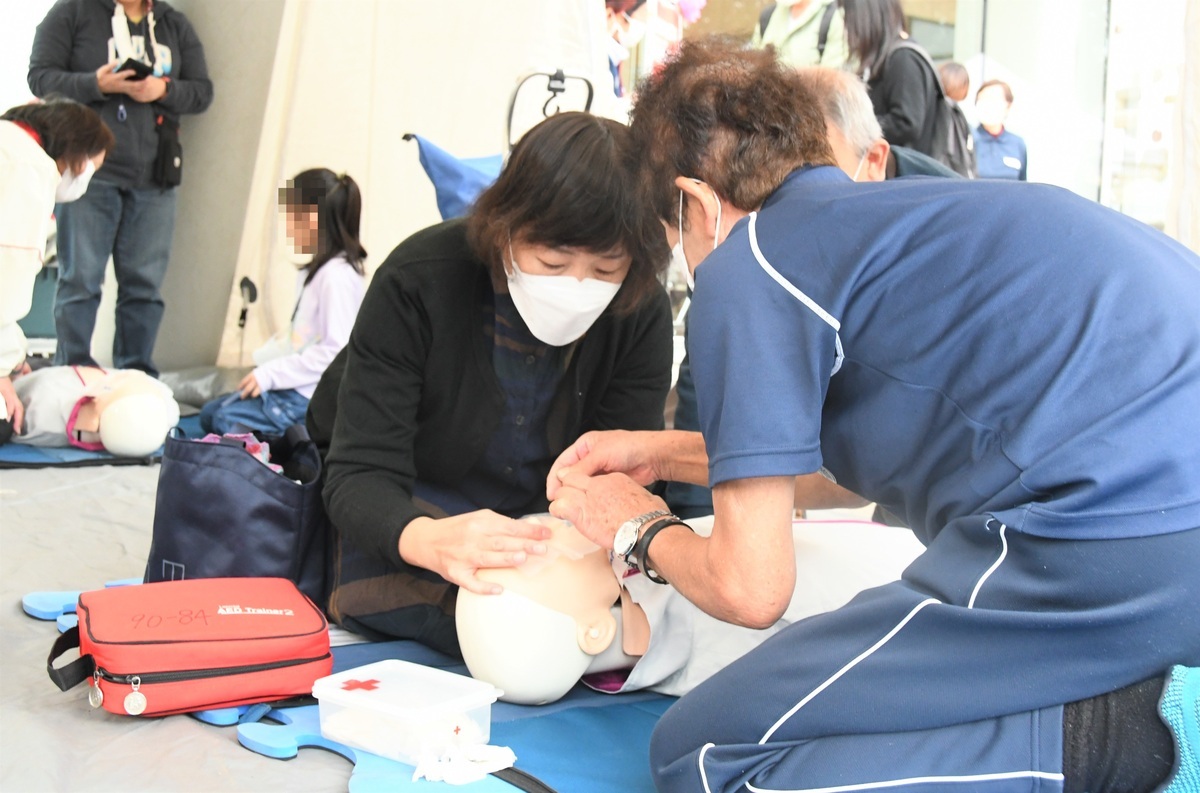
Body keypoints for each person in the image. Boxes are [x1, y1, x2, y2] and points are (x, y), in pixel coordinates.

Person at [547, 37, 1199, 792]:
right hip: (1152, 513)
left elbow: (751, 587)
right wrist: (664, 455)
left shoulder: (747, 260)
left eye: (675, 241)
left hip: (1110, 532)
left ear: (695, 204)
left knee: (704, 752)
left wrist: (634, 523)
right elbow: (846, 473)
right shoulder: (892, 221)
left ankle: (1129, 740)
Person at [306, 111, 674, 656]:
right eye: (551, 261)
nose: (576, 285)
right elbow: (359, 475)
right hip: (404, 501)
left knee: (568, 632)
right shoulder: (419, 281)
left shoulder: (638, 309)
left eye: (604, 270)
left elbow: (622, 478)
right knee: (492, 628)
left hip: (539, 526)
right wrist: (428, 538)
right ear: (505, 228)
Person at [663, 64, 957, 520]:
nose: (789, 209)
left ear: (873, 162)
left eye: (819, 177)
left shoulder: (940, 248)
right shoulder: (754, 270)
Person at [29, 0, 213, 376]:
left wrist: (163, 89)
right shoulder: (72, 12)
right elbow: (41, 77)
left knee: (143, 287)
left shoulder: (173, 23)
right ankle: (72, 372)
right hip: (88, 172)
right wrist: (95, 84)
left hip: (155, 176)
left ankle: (136, 375)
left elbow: (202, 92)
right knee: (79, 279)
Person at [199, 169, 366, 435]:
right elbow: (301, 340)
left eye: (291, 215)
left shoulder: (338, 278)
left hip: (307, 397)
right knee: (210, 415)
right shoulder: (318, 272)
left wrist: (271, 375)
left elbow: (335, 353)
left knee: (223, 421)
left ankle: (302, 438)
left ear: (312, 219)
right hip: (291, 387)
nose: (286, 225)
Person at [1, 98, 114, 444]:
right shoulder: (28, 170)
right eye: (92, 168)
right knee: (6, 421)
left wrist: (13, 353)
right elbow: (4, 288)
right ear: (77, 154)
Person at [842, 0, 941, 156]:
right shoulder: (885, 58)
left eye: (849, 18)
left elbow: (906, 123)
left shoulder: (903, 58)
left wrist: (857, 128)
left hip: (907, 173)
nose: (846, 27)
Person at [751, 0, 848, 70]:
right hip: (766, 95)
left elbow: (831, 80)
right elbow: (752, 63)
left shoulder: (835, 17)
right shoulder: (768, 15)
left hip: (809, 96)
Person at [974, 78, 1029, 180]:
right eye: (982, 99)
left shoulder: (1017, 143)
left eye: (993, 99)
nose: (988, 105)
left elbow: (1022, 183)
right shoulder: (969, 139)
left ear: (1008, 106)